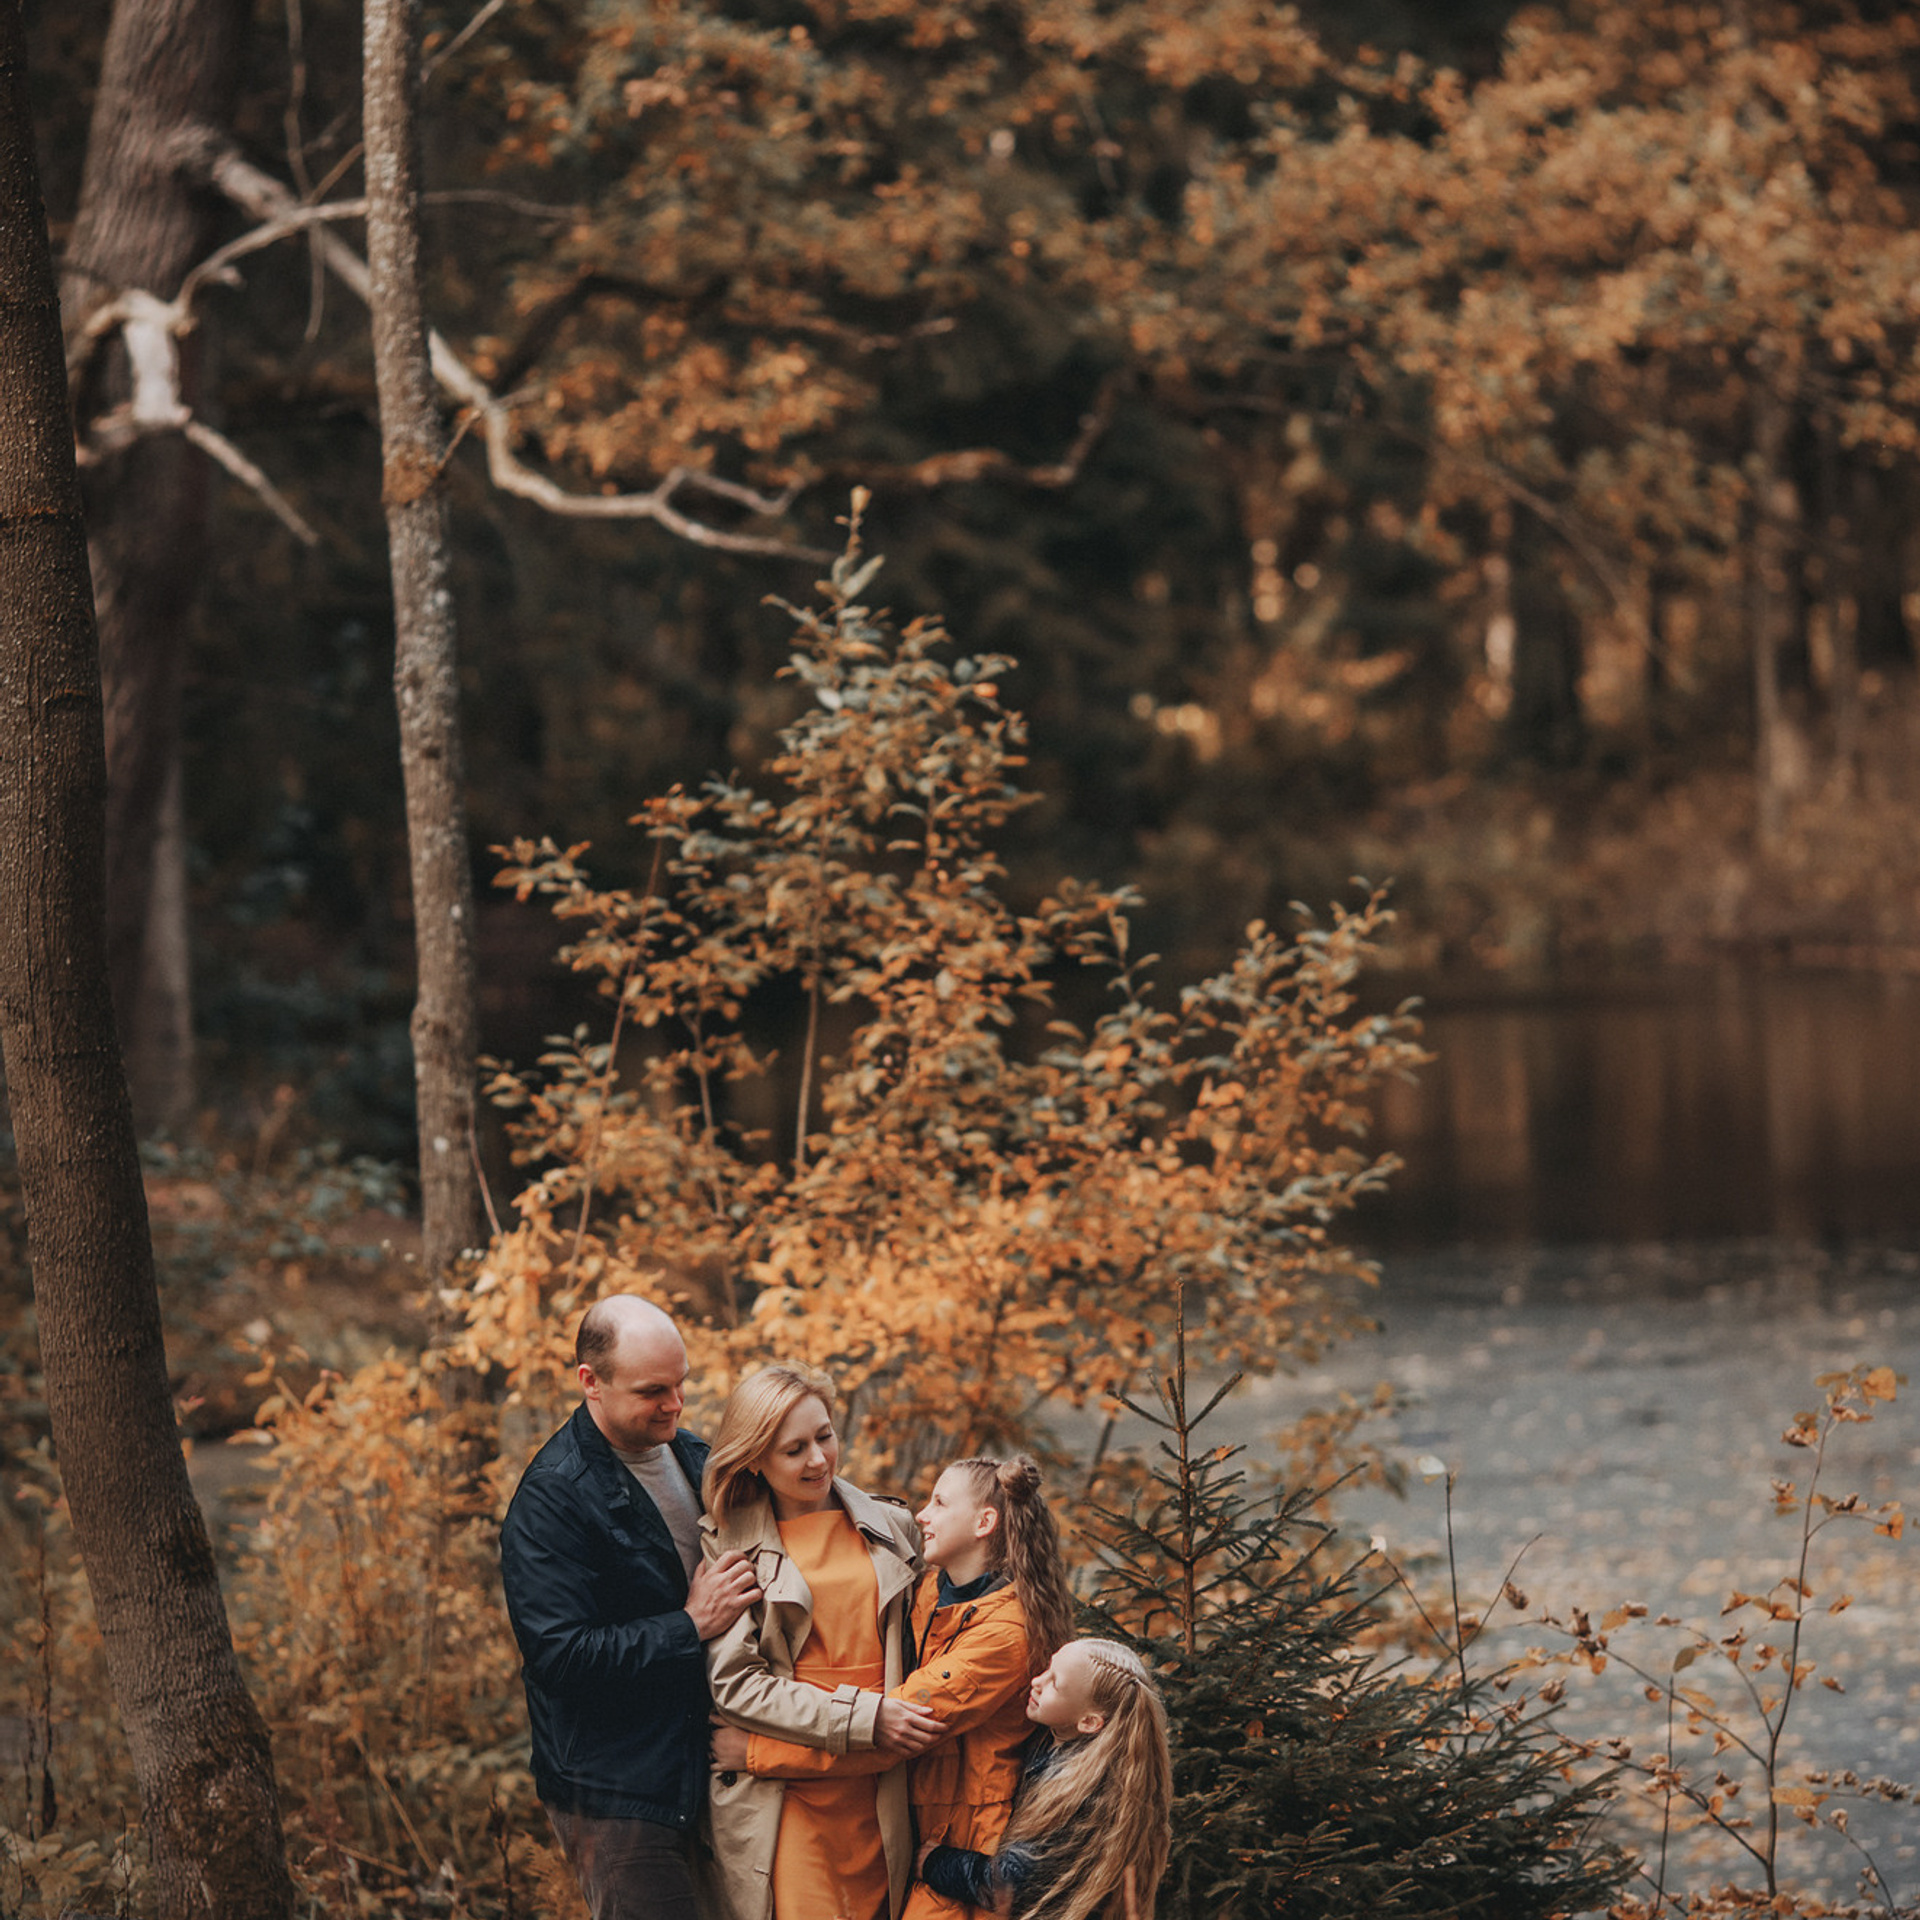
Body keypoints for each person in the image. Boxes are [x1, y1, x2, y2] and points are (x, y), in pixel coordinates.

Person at [715, 1455, 1075, 1920]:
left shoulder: (1004, 1635)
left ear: (985, 1522)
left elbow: (893, 1733)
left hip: (968, 1840)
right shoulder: (928, 1591)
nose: (922, 1515)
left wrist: (754, 1753)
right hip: (913, 1827)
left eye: (940, 1503)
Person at [500, 1295, 763, 1920]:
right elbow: (560, 1657)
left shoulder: (693, 1456)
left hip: (702, 1764)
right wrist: (690, 1624)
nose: (675, 1404)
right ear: (591, 1383)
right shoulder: (551, 1500)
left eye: (681, 1384)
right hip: (614, 1791)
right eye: (653, 1391)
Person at [701, 1366, 947, 1920]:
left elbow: (935, 1650)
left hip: (881, 1791)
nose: (818, 1459)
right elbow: (737, 1687)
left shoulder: (895, 1526)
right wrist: (866, 1719)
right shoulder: (730, 1546)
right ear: (755, 1459)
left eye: (825, 1436)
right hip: (788, 1804)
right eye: (793, 1450)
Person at [915, 1639, 1172, 1920]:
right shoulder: (1058, 1740)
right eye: (1048, 1668)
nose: (1036, 1681)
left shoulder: (1083, 1793)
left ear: (1088, 1722)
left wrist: (935, 1863)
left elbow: (1014, 1885)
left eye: (1055, 1684)